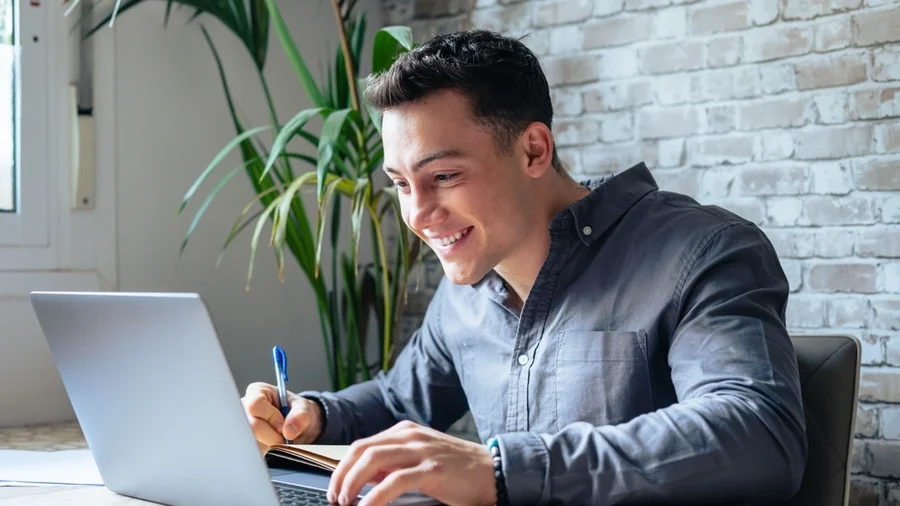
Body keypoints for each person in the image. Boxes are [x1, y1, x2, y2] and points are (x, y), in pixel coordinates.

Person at [241, 29, 807, 506]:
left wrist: (501, 470)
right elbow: (398, 401)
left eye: (443, 177)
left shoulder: (703, 249)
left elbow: (757, 432)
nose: (417, 215)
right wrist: (310, 415)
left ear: (534, 150)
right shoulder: (467, 285)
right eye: (400, 185)